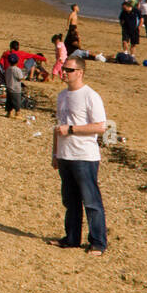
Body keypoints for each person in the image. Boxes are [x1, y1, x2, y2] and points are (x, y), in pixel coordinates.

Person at [50, 59, 109, 255]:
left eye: (69, 69)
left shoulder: (90, 96)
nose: (64, 72)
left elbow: (100, 127)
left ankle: (98, 243)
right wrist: (55, 153)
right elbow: (58, 126)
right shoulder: (62, 96)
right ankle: (71, 238)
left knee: (91, 202)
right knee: (70, 201)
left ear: (80, 72)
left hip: (84, 156)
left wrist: (72, 129)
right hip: (65, 155)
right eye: (63, 69)